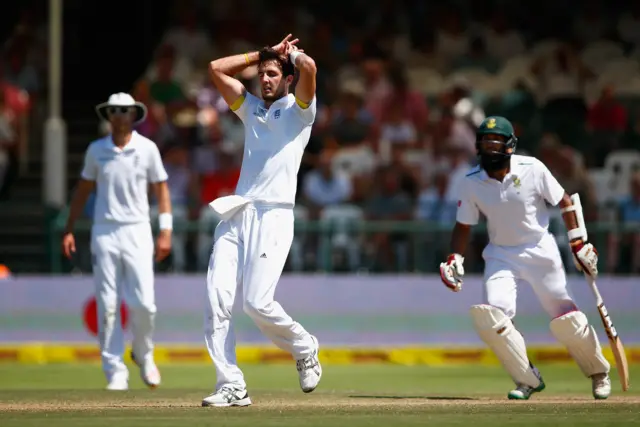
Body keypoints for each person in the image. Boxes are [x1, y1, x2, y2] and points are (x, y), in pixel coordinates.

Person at [439, 116, 611, 400]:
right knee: (492, 315)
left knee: (565, 317)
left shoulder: (533, 168)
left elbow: (565, 201)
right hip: (501, 254)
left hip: (540, 250)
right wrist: (455, 257)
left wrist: (579, 244)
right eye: (485, 142)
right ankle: (526, 379)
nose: (490, 148)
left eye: (495, 142)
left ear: (509, 146)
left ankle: (598, 372)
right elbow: (463, 224)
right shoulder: (471, 182)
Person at [202, 34, 320, 407]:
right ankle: (230, 384)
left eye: (272, 74)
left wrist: (292, 55)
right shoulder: (249, 108)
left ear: (287, 79)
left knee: (256, 304)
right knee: (217, 298)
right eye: (262, 75)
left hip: (275, 216)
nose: (265, 79)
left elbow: (311, 69)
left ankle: (303, 346)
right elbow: (216, 69)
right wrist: (260, 54)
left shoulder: (301, 110)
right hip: (238, 211)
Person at [62, 93, 173, 391]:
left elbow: (161, 189)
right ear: (108, 115)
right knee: (108, 304)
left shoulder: (147, 149)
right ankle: (115, 370)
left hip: (138, 230)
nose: (120, 116)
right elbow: (83, 190)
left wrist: (165, 231)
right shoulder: (96, 151)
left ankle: (144, 354)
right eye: (115, 111)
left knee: (145, 304)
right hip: (105, 231)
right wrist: (69, 229)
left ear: (134, 115)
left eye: (126, 111)